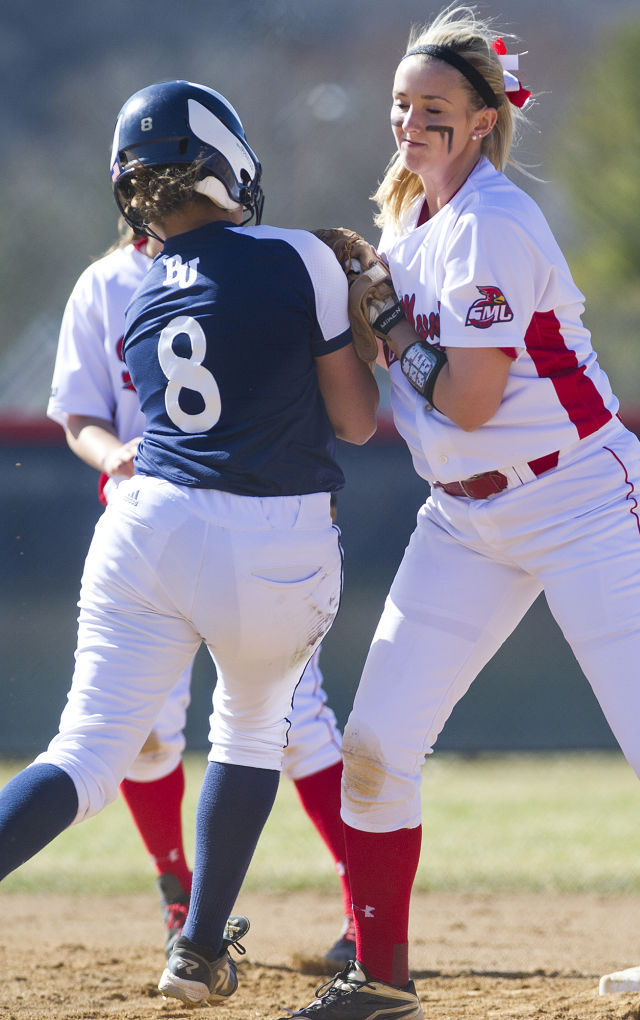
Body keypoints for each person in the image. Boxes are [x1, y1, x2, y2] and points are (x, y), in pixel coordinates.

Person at [288, 8, 640, 1020]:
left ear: (483, 122)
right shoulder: (408, 219)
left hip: (580, 496)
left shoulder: (494, 223)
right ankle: (381, 977)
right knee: (374, 743)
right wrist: (350, 315)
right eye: (402, 105)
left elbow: (465, 397)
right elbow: (379, 413)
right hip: (463, 517)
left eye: (435, 109)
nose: (410, 122)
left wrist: (379, 315)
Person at [0, 79, 378, 1008]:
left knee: (85, 753)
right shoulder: (296, 252)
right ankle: (199, 950)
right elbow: (358, 423)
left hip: (143, 524)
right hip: (269, 538)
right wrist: (367, 311)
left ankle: (193, 934)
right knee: (252, 731)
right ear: (225, 164)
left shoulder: (134, 287)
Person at [47, 220, 357, 971]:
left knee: (296, 725)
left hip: (201, 527)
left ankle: (362, 910)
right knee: (156, 737)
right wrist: (111, 451)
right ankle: (183, 899)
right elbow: (79, 414)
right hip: (178, 529)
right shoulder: (108, 283)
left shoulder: (250, 265)